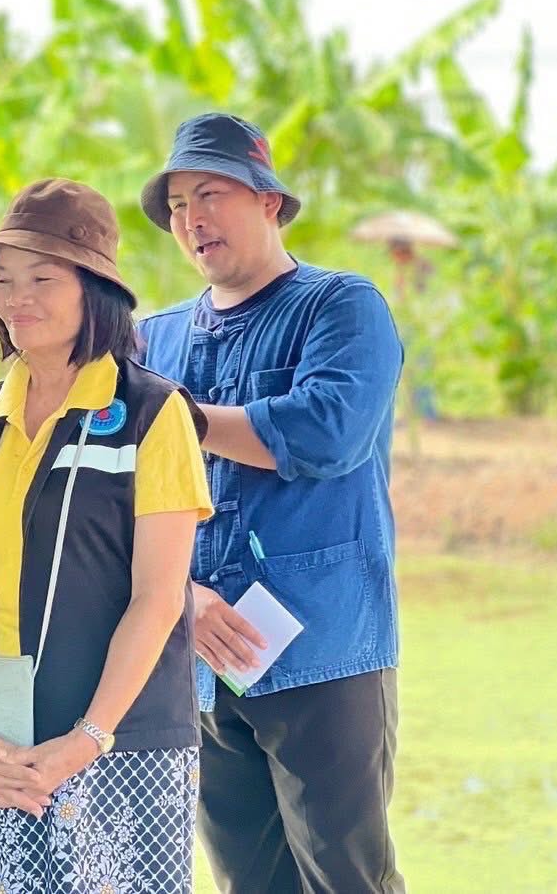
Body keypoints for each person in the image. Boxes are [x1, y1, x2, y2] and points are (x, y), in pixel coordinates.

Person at [136, 112, 406, 894]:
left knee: (345, 876)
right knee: (245, 878)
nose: (191, 219)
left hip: (323, 650)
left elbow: (325, 433)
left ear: (268, 201)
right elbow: (117, 498)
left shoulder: (339, 307)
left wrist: (176, 419)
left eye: (210, 193)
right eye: (178, 204)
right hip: (199, 658)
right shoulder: (152, 340)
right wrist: (178, 595)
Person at [0, 178, 213, 893]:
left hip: (122, 743)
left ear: (94, 290)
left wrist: (85, 739)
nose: (16, 297)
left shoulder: (151, 412)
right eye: (2, 281)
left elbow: (157, 597)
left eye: (42, 278)